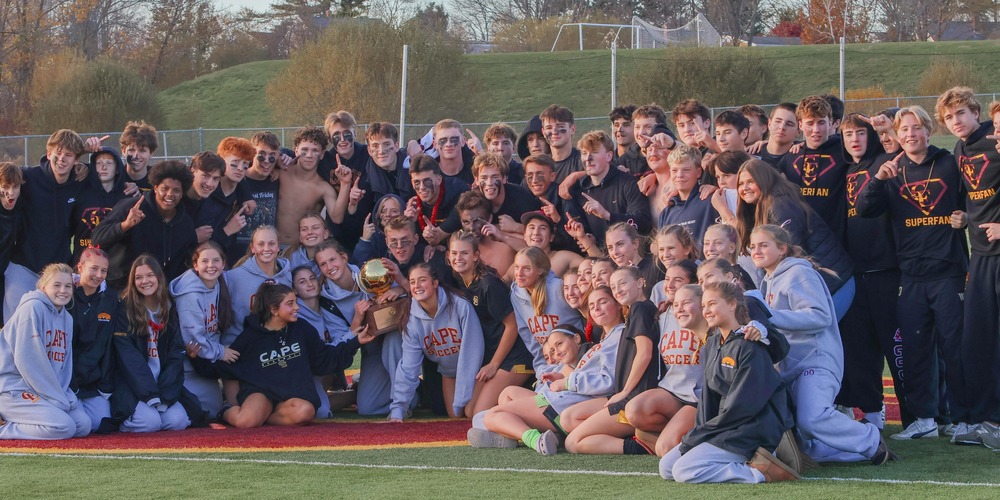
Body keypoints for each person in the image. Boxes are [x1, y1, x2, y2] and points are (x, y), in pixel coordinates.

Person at [855, 106, 968, 441]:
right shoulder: (892, 170)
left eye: (915, 128)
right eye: (903, 130)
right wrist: (877, 179)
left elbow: (974, 201)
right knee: (916, 351)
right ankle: (925, 419)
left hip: (948, 272)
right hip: (911, 276)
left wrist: (966, 219)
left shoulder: (949, 163)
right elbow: (863, 210)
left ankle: (962, 418)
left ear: (928, 130)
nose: (909, 135)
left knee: (954, 349)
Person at [751, 224, 895, 464]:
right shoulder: (769, 280)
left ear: (782, 249)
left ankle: (870, 438)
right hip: (793, 365)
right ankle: (860, 451)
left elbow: (820, 316)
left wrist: (770, 318)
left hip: (816, 361)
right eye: (753, 246)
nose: (756, 250)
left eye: (764, 245)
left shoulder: (798, 273)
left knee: (812, 418)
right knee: (807, 443)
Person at [659, 281, 797, 484]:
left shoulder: (750, 344)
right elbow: (708, 400)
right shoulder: (712, 344)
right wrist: (698, 434)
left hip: (751, 428)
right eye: (704, 306)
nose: (707, 310)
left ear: (732, 304)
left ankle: (762, 472)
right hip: (724, 426)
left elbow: (744, 406)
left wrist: (703, 434)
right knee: (667, 468)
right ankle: (744, 463)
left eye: (713, 304)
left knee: (683, 471)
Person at [188, 282, 373, 427]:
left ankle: (265, 419)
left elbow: (324, 358)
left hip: (292, 397)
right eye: (290, 304)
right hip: (261, 394)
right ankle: (226, 411)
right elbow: (227, 364)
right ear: (274, 309)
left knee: (306, 412)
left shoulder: (302, 328)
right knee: (246, 422)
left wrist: (355, 342)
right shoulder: (251, 336)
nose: (297, 308)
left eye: (296, 302)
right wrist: (197, 360)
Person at [480, 287, 624, 455]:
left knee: (491, 415)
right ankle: (525, 433)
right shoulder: (606, 338)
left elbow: (608, 381)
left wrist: (567, 382)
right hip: (562, 399)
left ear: (618, 304)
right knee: (507, 393)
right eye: (592, 305)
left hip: (564, 405)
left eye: (603, 302)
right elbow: (590, 374)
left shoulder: (618, 336)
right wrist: (562, 376)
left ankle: (535, 440)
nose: (596, 308)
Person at [937, 88, 1000, 446]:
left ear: (977, 112)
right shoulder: (961, 149)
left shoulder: (996, 138)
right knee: (977, 339)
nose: (956, 121)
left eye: (961, 113)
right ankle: (987, 419)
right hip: (980, 256)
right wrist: (964, 215)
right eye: (949, 117)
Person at [837, 112, 907, 431]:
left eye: (861, 133)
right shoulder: (843, 168)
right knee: (860, 347)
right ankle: (872, 411)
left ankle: (917, 414)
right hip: (855, 273)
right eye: (849, 133)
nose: (855, 139)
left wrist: (887, 129)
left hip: (886, 269)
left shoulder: (883, 161)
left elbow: (899, 147)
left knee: (896, 344)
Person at [732, 159, 854, 319]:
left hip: (833, 283)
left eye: (750, 182)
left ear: (764, 179)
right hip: (816, 285)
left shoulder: (780, 204)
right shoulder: (761, 207)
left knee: (818, 337)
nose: (745, 188)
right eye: (741, 184)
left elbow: (792, 252)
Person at [4, 129, 100, 321]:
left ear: (76, 161)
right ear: (49, 154)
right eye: (58, 153)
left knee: (51, 328)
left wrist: (90, 154)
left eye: (69, 155)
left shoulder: (79, 181)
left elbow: (109, 176)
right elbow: (4, 179)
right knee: (15, 325)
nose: (62, 159)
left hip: (57, 270)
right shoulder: (29, 177)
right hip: (23, 266)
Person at [563, 266, 659, 455]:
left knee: (573, 442)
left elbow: (644, 354)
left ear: (640, 282)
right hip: (632, 396)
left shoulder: (640, 308)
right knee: (571, 423)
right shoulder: (636, 311)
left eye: (623, 283)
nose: (618, 290)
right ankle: (635, 437)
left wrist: (624, 392)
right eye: (614, 287)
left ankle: (640, 446)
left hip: (635, 398)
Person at [0, 263, 91, 439]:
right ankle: (5, 427)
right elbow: (30, 363)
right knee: (63, 427)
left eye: (67, 286)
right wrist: (55, 398)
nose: (63, 291)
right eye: (56, 285)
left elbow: (63, 365)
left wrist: (63, 395)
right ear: (43, 286)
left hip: (43, 390)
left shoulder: (67, 318)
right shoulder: (32, 308)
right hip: (13, 387)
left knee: (83, 425)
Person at [108, 255, 197, 433]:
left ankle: (156, 408)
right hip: (134, 385)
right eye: (138, 277)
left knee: (177, 421)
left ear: (158, 277)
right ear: (132, 282)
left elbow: (175, 355)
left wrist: (165, 396)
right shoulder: (124, 309)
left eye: (150, 275)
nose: (145, 281)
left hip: (161, 385)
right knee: (150, 423)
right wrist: (150, 395)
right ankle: (123, 421)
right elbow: (129, 359)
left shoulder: (169, 308)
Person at [449, 231, 533, 416]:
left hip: (516, 357)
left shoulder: (488, 284)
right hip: (495, 355)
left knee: (480, 413)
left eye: (464, 253)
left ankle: (538, 402)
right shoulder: (460, 280)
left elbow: (513, 326)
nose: (458, 258)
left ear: (476, 256)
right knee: (470, 411)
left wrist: (494, 364)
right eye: (454, 253)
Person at [389, 264, 485, 421]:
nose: (417, 286)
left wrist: (463, 395)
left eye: (422, 280)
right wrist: (398, 410)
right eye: (412, 282)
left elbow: (472, 352)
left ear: (435, 283)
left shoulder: (460, 306)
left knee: (470, 412)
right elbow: (408, 367)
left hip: (475, 370)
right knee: (454, 414)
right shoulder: (412, 320)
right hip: (448, 373)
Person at [92, 160, 197, 286]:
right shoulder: (131, 207)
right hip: (121, 287)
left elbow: (183, 263)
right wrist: (125, 225)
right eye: (165, 188)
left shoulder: (185, 223)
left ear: (181, 194)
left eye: (176, 190)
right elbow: (97, 239)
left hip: (156, 291)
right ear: (156, 187)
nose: (170, 194)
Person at [170, 241, 236, 417]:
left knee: (213, 412)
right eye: (205, 261)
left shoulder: (220, 284)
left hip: (206, 362)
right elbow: (192, 339)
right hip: (187, 365)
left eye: (216, 260)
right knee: (191, 416)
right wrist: (221, 352)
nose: (211, 266)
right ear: (195, 265)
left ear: (223, 263)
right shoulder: (189, 294)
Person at [777, 96, 850, 242]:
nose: (816, 130)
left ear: (830, 123)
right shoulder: (791, 156)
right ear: (800, 125)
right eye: (810, 123)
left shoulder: (845, 152)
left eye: (821, 123)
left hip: (835, 239)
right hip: (800, 239)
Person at [565, 131, 652, 248]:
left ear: (609, 156)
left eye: (594, 152)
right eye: (584, 153)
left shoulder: (628, 182)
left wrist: (607, 215)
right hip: (598, 257)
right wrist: (588, 236)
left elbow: (643, 222)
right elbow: (584, 229)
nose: (587, 158)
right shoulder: (579, 189)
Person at [510, 247, 583, 377]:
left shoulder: (558, 288)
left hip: (576, 364)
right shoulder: (516, 295)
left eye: (526, 268)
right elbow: (530, 339)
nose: (519, 273)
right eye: (516, 267)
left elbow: (584, 316)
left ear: (540, 270)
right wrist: (541, 370)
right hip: (548, 368)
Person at [69, 248, 118, 432]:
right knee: (81, 425)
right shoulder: (65, 294)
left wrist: (105, 385)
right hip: (66, 381)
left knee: (99, 423)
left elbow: (109, 347)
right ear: (80, 267)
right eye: (94, 269)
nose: (99, 275)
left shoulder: (111, 299)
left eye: (103, 271)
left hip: (92, 383)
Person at [291, 265, 347, 418]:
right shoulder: (295, 314)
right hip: (306, 373)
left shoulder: (327, 306)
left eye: (312, 278)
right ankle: (353, 394)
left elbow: (343, 338)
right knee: (320, 412)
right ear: (294, 290)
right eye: (302, 282)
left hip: (326, 366)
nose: (309, 284)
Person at [224, 226, 292, 346]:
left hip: (277, 344)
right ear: (253, 248)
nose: (266, 248)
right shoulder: (233, 277)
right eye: (261, 244)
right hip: (242, 344)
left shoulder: (287, 275)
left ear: (278, 247)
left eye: (271, 243)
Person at [275, 127, 340, 246]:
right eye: (304, 150)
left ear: (322, 154)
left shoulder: (323, 188)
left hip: (301, 249)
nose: (309, 155)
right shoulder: (281, 172)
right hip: (271, 247)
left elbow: (337, 217)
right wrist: (276, 157)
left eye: (315, 150)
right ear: (296, 151)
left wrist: (345, 185)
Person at [72, 146, 131, 264]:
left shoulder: (127, 196)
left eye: (109, 163)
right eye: (99, 163)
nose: (104, 167)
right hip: (83, 264)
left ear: (118, 168)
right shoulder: (80, 193)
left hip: (116, 267)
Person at [404, 154, 470, 246]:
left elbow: (457, 217)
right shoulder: (412, 202)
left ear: (439, 179)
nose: (422, 187)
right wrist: (409, 223)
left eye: (427, 181)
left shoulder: (459, 191)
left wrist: (436, 235)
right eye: (417, 182)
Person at [236, 132, 282, 261]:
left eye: (272, 156)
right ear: (252, 154)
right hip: (240, 252)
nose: (267, 161)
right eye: (261, 155)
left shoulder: (277, 178)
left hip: (267, 252)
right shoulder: (239, 179)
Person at [658, 145, 717, 245]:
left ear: (698, 172)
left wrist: (718, 190)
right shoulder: (666, 212)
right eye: (674, 170)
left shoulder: (712, 200)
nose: (680, 175)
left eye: (686, 170)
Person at [517, 211, 583, 278]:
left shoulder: (563, 257)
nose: (536, 232)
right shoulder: (519, 262)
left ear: (551, 237)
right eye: (532, 228)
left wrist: (584, 240)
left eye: (543, 228)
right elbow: (506, 280)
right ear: (524, 235)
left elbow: (592, 266)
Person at [605, 222, 661, 297]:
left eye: (620, 244)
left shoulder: (656, 266)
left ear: (635, 243)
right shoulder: (614, 278)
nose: (615, 252)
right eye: (610, 248)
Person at [649, 226, 701, 307]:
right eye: (661, 249)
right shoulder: (659, 289)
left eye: (671, 248)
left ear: (687, 249)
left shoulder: (705, 277)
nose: (665, 255)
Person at [0, 162, 24, 326]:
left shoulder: (21, 208)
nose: (11, 192)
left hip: (8, 275)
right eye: (6, 187)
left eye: (15, 187)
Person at [702, 223, 756, 289]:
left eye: (718, 243)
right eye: (706, 243)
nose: (710, 249)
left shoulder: (739, 278)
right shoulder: (703, 275)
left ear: (732, 248)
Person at [540, 105, 582, 184]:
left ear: (572, 129)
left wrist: (576, 176)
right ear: (543, 132)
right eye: (549, 128)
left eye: (560, 126)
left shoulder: (584, 160)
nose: (554, 132)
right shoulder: (540, 165)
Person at [320, 110, 370, 174]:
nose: (342, 139)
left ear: (355, 134)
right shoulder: (325, 162)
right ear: (330, 139)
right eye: (336, 135)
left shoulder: (368, 154)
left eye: (346, 133)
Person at [119, 120, 158, 189]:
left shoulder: (158, 181)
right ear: (124, 151)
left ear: (151, 153)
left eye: (142, 151)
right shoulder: (115, 177)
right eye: (131, 150)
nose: (136, 155)